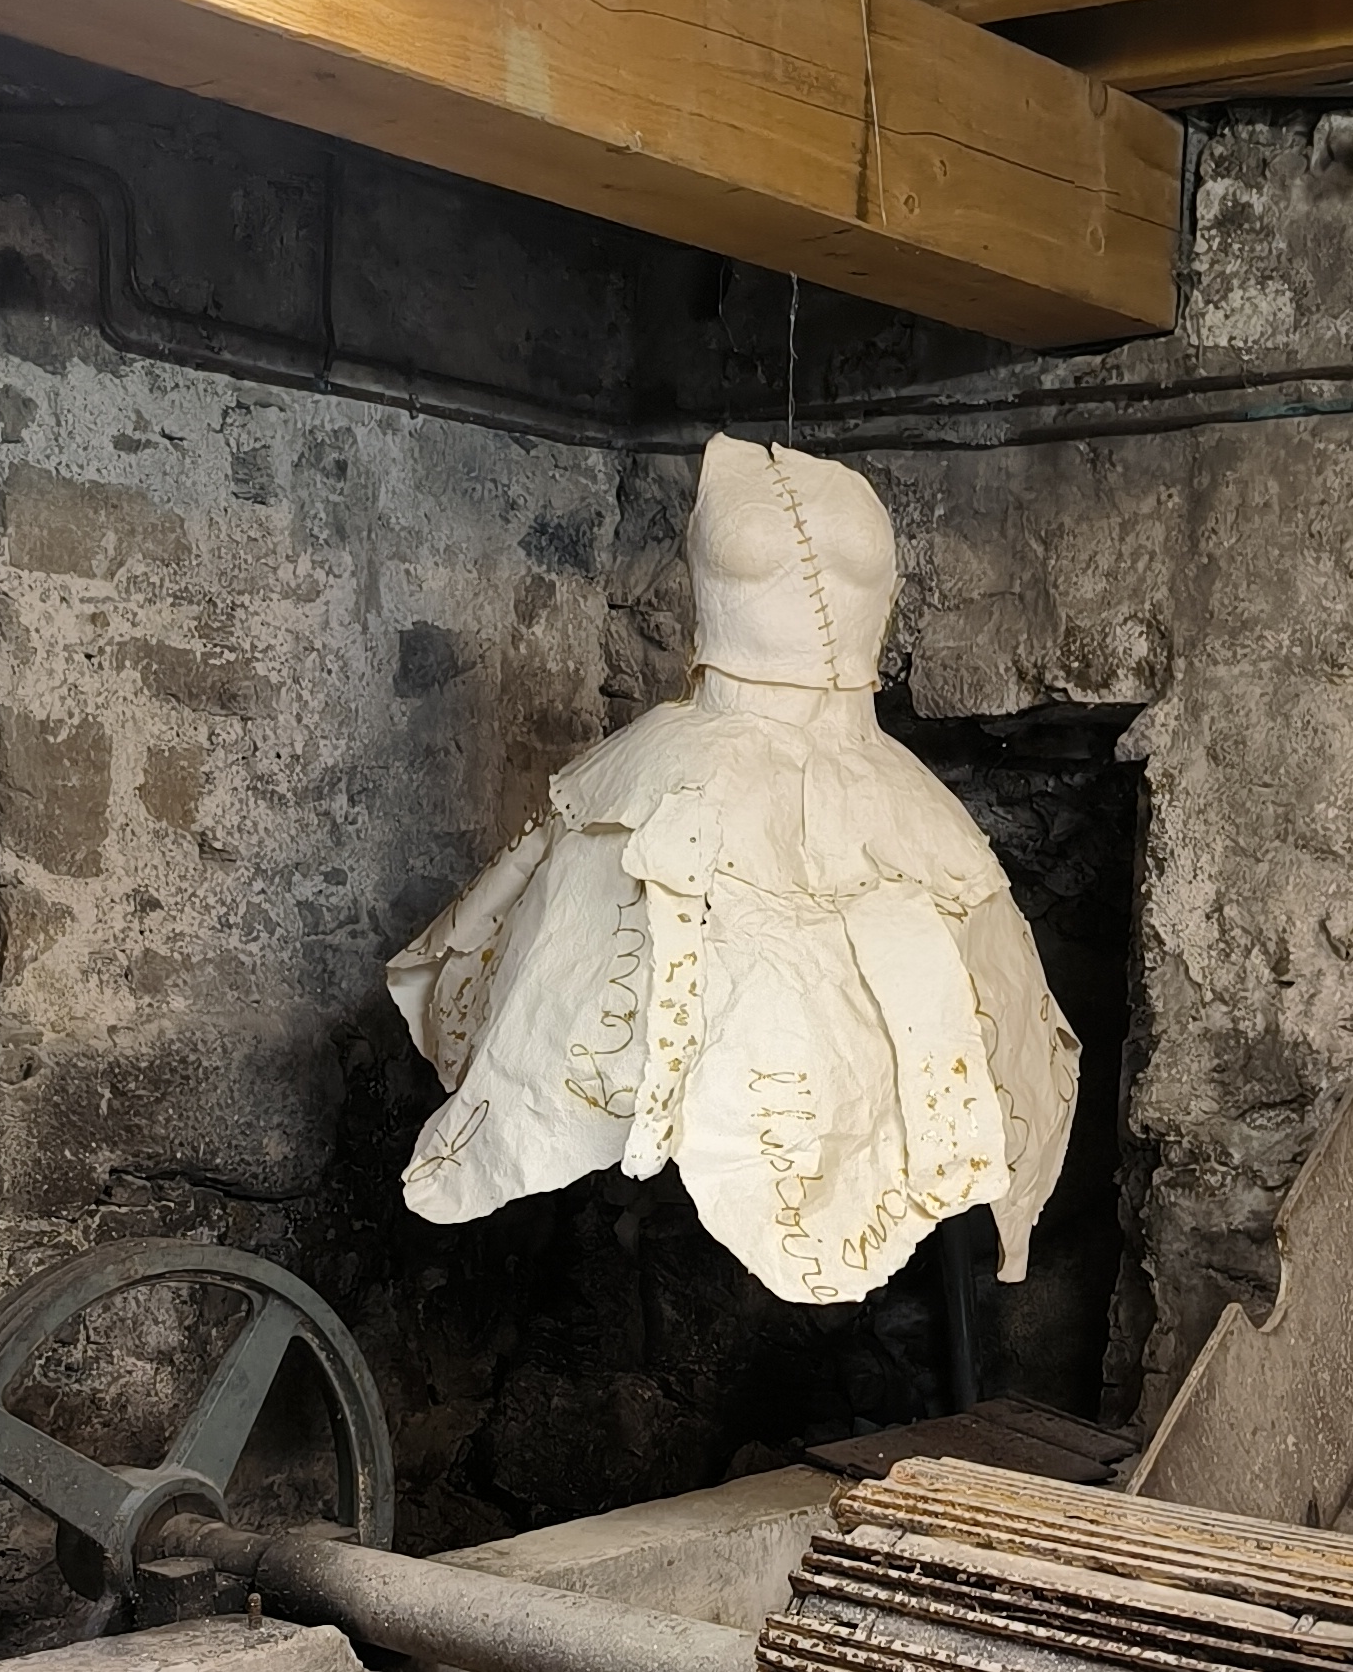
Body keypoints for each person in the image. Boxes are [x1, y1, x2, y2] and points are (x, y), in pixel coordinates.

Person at [388, 435, 1078, 1304]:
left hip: (868, 778)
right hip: (704, 755)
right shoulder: (722, 467)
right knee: (600, 1029)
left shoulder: (843, 490)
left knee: (914, 1050)